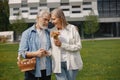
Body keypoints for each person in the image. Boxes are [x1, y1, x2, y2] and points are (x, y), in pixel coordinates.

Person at [18, 10, 52, 80]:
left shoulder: (49, 33)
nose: (47, 22)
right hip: (32, 70)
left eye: (48, 20)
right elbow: (22, 52)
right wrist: (36, 53)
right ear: (37, 18)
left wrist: (47, 52)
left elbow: (52, 48)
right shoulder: (27, 33)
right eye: (45, 19)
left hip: (46, 69)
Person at [50, 8, 83, 80]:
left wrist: (62, 45)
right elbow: (50, 48)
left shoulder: (72, 29)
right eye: (51, 19)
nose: (52, 22)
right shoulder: (52, 31)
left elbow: (78, 46)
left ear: (60, 18)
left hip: (71, 63)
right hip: (57, 64)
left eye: (53, 19)